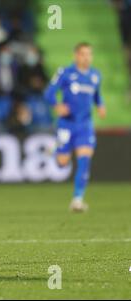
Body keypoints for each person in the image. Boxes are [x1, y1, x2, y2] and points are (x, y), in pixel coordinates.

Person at [44, 43, 106, 212]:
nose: (87, 58)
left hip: (85, 125)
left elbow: (97, 95)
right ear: (76, 56)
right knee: (62, 163)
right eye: (83, 54)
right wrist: (56, 105)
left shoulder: (95, 75)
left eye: (89, 54)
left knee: (84, 160)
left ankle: (77, 199)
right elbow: (48, 93)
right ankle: (58, 150)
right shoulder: (65, 72)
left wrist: (100, 105)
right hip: (66, 124)